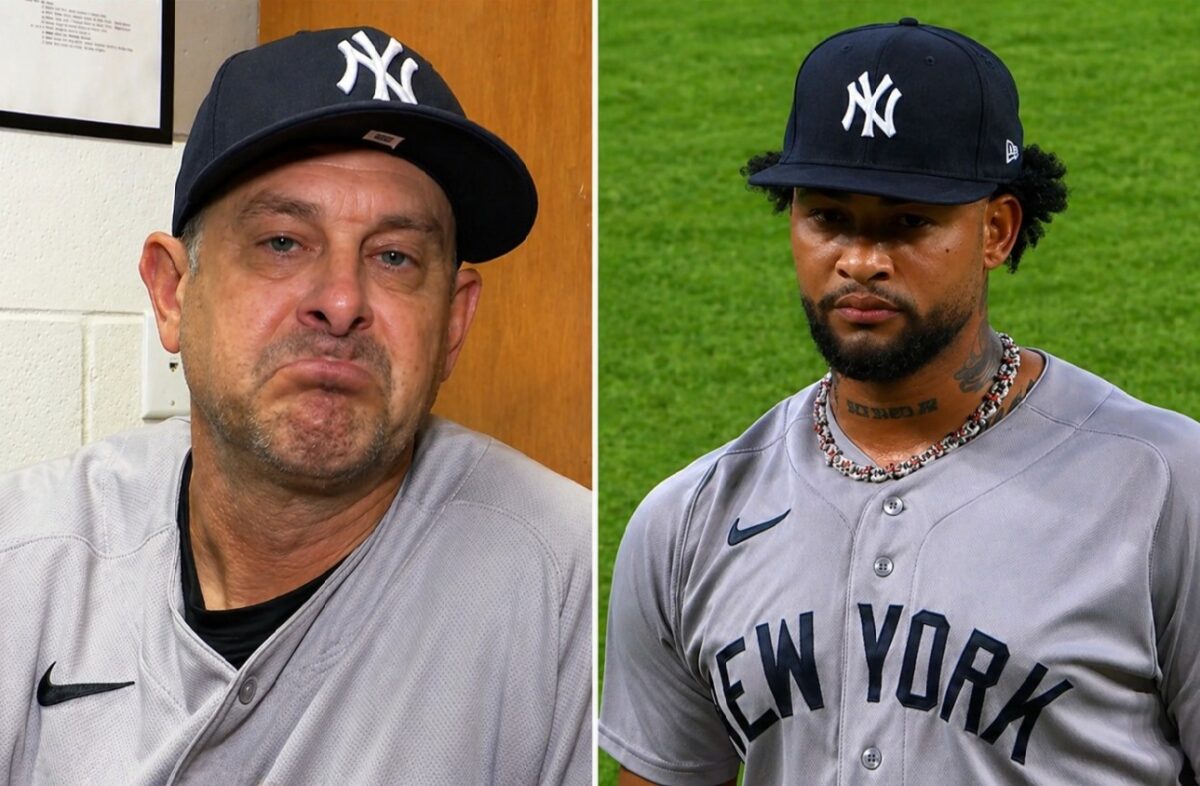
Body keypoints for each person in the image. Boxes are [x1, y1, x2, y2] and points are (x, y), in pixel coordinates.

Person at [599, 18, 1198, 785]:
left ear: (997, 230)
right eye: (828, 217)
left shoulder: (1166, 486)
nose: (860, 261)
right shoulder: (689, 520)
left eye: (909, 222)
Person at [0, 28, 590, 785]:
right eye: (283, 242)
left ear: (452, 323)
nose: (342, 302)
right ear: (172, 292)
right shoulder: (26, 560)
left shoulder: (565, 588)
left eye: (395, 257)